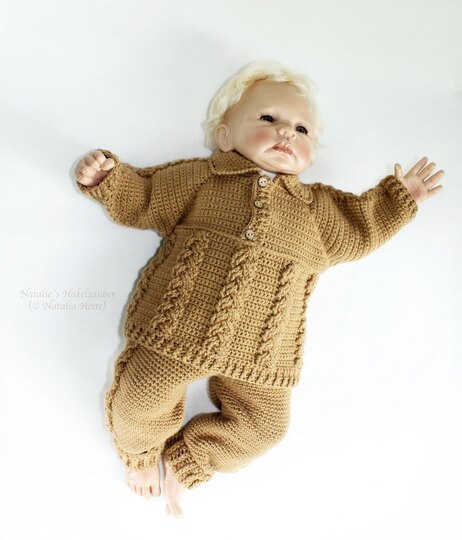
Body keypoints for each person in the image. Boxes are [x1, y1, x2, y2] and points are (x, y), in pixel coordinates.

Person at [74, 59, 445, 518]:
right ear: (225, 136)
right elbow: (146, 196)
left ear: (311, 152)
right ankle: (142, 454)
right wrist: (109, 180)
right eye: (268, 118)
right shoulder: (202, 179)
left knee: (266, 426)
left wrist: (398, 199)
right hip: (176, 329)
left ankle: (189, 460)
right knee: (140, 396)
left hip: (262, 355)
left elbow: (361, 226)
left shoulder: (318, 211)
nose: (286, 132)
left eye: (301, 129)